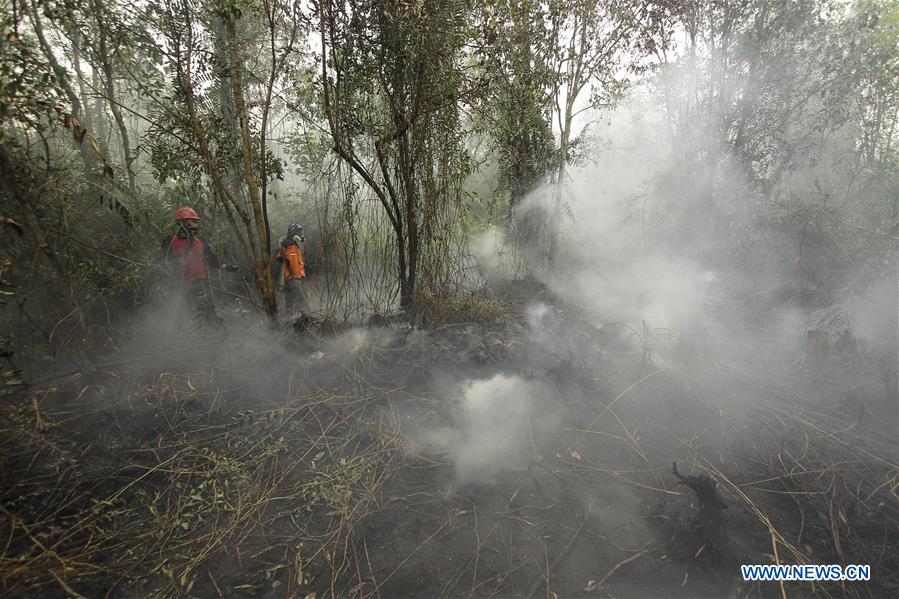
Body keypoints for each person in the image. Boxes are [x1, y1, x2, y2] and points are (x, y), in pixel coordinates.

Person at [158, 207, 236, 328]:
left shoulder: (201, 242)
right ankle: (182, 336)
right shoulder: (170, 241)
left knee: (207, 310)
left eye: (196, 222)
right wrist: (171, 265)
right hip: (179, 285)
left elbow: (211, 260)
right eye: (193, 222)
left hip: (200, 282)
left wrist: (227, 267)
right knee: (182, 314)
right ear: (183, 223)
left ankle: (216, 332)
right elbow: (161, 260)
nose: (196, 225)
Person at [274, 223, 308, 316]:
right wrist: (297, 278)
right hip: (294, 278)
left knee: (290, 301)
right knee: (302, 301)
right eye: (298, 232)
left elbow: (279, 258)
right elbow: (293, 264)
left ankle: (289, 322)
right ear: (293, 233)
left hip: (287, 278)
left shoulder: (284, 244)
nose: (300, 234)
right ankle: (302, 324)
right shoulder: (291, 245)